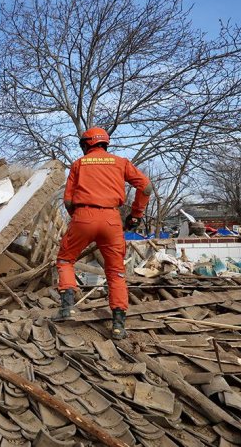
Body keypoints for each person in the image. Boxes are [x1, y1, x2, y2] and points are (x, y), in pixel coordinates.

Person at [55, 127, 153, 339]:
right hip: (112, 219)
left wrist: (79, 219)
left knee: (65, 260)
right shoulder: (120, 162)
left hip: (83, 215)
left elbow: (69, 200)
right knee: (116, 272)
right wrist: (136, 215)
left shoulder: (78, 164)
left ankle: (68, 308)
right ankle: (118, 326)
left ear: (87, 144)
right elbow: (145, 187)